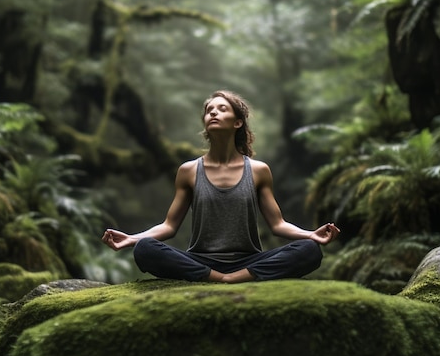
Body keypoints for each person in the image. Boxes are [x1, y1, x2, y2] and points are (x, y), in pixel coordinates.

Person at [102, 90, 340, 283]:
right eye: (209, 111)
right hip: (200, 261)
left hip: (249, 260)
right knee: (145, 250)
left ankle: (232, 277)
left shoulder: (258, 171)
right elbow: (169, 226)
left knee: (309, 250)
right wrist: (132, 239)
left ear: (237, 122)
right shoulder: (188, 171)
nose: (213, 113)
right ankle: (222, 278)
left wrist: (311, 235)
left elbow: (277, 224)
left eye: (221, 109)